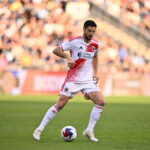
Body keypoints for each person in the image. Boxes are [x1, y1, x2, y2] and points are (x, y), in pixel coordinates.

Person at [33, 20, 105, 142]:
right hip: (73, 79)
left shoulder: (95, 44)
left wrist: (96, 72)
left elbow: (95, 56)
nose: (91, 33)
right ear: (84, 29)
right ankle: (39, 129)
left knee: (101, 102)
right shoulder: (74, 41)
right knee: (60, 104)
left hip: (87, 80)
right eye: (89, 31)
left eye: (93, 31)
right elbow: (56, 50)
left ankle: (89, 130)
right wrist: (67, 56)